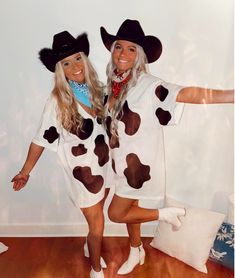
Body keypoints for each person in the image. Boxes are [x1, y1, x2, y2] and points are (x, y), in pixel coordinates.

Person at [99, 19, 234, 275]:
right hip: (117, 163)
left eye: (131, 49)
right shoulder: (112, 85)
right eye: (119, 47)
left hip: (137, 168)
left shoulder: (149, 85)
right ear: (112, 50)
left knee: (117, 214)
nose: (123, 54)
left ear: (140, 56)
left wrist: (231, 95)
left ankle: (165, 215)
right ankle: (136, 249)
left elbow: (185, 94)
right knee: (132, 211)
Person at [11, 31, 109, 278]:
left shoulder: (98, 90)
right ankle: (96, 270)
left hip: (105, 165)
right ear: (59, 69)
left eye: (77, 59)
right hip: (82, 174)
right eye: (66, 63)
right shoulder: (57, 100)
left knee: (97, 220)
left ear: (84, 59)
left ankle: (90, 246)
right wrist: (25, 172)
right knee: (97, 224)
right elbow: (40, 138)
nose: (74, 66)